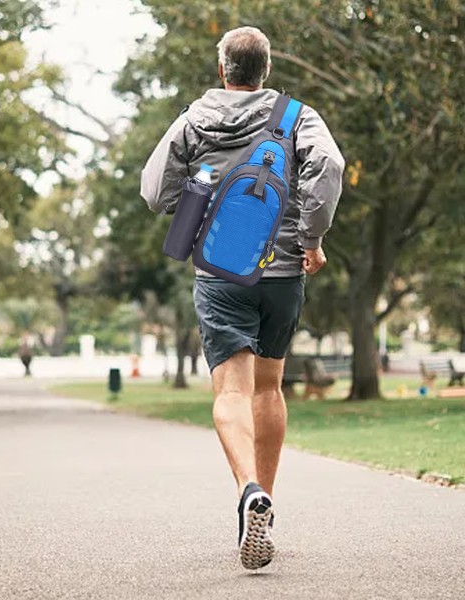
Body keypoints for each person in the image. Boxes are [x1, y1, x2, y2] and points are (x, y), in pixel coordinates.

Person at [140, 26, 344, 569]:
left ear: (223, 69)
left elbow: (154, 188)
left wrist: (194, 192)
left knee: (231, 390)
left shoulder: (194, 119)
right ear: (266, 70)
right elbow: (330, 167)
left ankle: (247, 489)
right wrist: (312, 239)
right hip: (282, 272)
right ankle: (266, 506)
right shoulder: (298, 115)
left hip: (222, 270)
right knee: (269, 389)